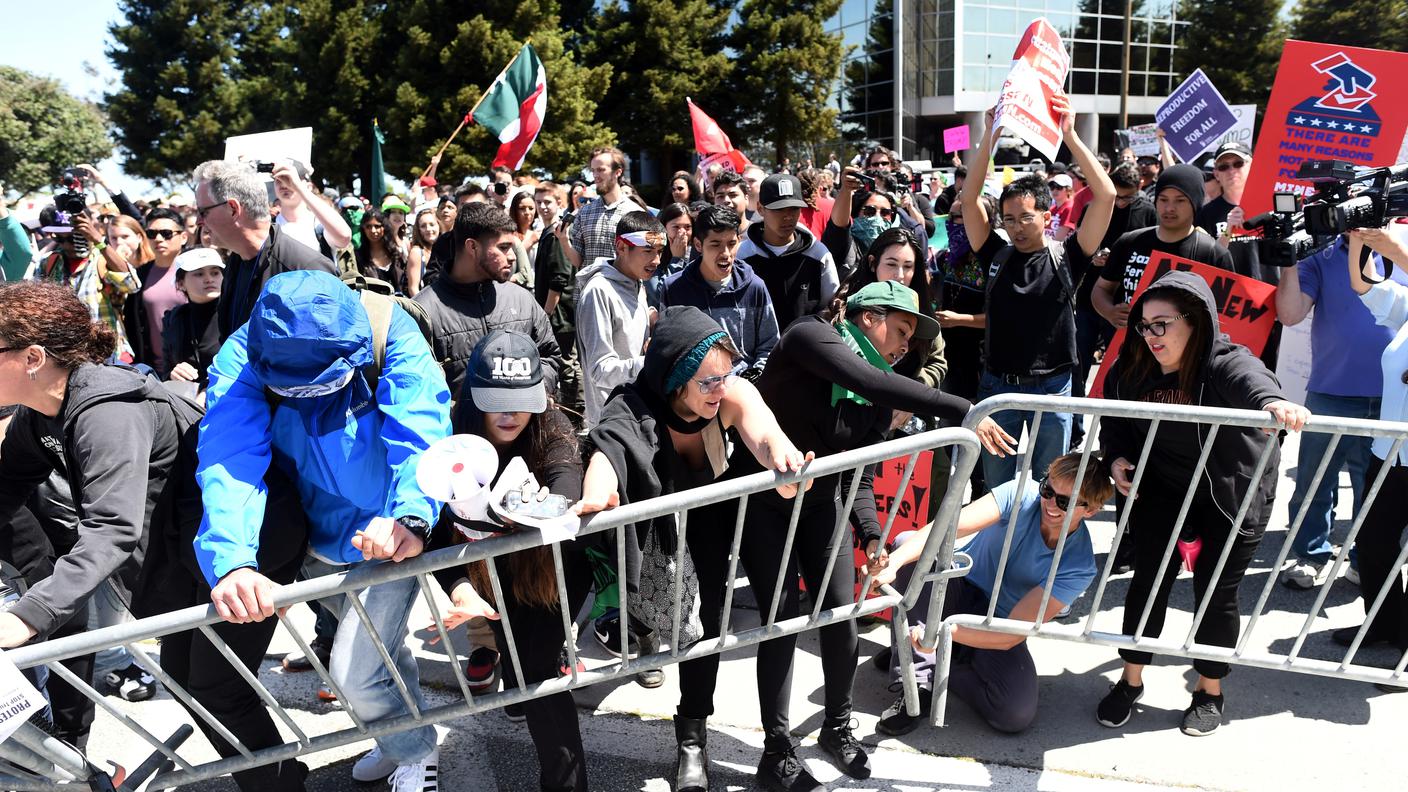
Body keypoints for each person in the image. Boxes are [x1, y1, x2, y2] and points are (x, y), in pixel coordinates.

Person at [713, 280, 1013, 790]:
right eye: (900, 331)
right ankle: (777, 749)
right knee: (782, 622)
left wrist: (872, 535)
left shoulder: (877, 390)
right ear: (867, 316)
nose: (903, 347)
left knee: (842, 618)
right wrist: (964, 407)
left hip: (821, 506)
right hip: (765, 507)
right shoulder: (811, 337)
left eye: (910, 339)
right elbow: (868, 379)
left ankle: (837, 725)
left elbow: (862, 473)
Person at [195, 269, 452, 791]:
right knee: (382, 654)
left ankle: (415, 750)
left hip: (389, 535)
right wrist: (234, 560)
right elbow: (229, 458)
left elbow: (420, 423)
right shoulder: (241, 356)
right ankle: (397, 736)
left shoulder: (389, 328)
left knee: (356, 669)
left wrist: (411, 514)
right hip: (313, 537)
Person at [573, 305, 811, 792]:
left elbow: (763, 431)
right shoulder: (633, 406)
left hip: (720, 511)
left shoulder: (729, 391)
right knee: (646, 608)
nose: (718, 389)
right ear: (675, 379)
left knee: (709, 622)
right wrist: (597, 494)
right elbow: (608, 450)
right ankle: (637, 628)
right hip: (654, 524)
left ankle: (695, 740)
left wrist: (784, 462)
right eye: (705, 382)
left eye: (725, 375)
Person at [1098, 270, 1309, 737]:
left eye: (1161, 324)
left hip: (1229, 493)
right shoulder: (1131, 365)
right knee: (1147, 585)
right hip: (1162, 491)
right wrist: (1115, 459)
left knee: (1216, 595)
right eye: (1144, 325)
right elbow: (1115, 422)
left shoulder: (1224, 360)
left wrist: (1275, 403)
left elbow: (1253, 380)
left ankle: (1209, 690)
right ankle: (1130, 681)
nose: (1150, 335)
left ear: (1194, 322)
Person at [0, 280, 203, 747]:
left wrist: (29, 614)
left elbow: (112, 528)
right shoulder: (39, 413)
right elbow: (5, 488)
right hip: (168, 564)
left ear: (33, 359)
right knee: (197, 684)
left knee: (218, 690)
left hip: (224, 556)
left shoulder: (105, 410)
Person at [428, 331, 592, 791]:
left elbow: (566, 478)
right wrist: (459, 588)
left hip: (553, 568)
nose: (508, 412)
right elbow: (438, 529)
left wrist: (548, 505)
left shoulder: (552, 424)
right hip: (491, 577)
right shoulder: (452, 434)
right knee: (519, 660)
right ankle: (518, 681)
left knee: (536, 667)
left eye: (520, 400)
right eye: (494, 399)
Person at [871, 452, 1114, 735]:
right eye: (1048, 490)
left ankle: (928, 652)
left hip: (996, 621)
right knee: (910, 548)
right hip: (957, 586)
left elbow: (1010, 634)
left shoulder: (1079, 565)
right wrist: (895, 562)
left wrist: (941, 635)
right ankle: (915, 687)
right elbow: (945, 527)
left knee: (1014, 713)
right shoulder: (1020, 493)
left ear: (1092, 510)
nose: (1050, 504)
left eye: (1066, 501)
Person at [960, 96, 1114, 490]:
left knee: (1051, 486)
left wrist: (1071, 136)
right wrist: (990, 136)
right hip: (998, 389)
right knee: (997, 490)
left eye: (1026, 217)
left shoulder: (1070, 256)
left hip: (1054, 389)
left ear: (1047, 216)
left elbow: (1107, 195)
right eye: (1009, 219)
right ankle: (1003, 552)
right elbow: (970, 199)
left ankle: (1038, 551)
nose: (1016, 227)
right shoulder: (995, 254)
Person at [1272, 233, 1400, 588]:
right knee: (1314, 481)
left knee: (1374, 486)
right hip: (1331, 390)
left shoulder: (1401, 247)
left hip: (1393, 396)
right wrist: (1288, 259)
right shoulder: (1320, 254)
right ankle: (1308, 555)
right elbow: (1290, 314)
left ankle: (1366, 558)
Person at [1339, 227, 1408, 655]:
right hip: (1390, 453)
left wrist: (1396, 250)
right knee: (1374, 542)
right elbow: (1363, 284)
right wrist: (1357, 238)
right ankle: (1385, 625)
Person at [414, 202, 561, 399]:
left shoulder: (522, 300)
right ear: (472, 246)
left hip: (524, 427)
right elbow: (416, 389)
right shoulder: (423, 312)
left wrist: (532, 395)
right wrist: (462, 412)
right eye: (503, 247)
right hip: (457, 429)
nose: (512, 257)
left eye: (512, 247)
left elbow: (549, 356)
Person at [192, 159, 336, 340]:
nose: (198, 221)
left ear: (233, 209)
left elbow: (329, 353)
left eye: (203, 211)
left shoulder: (306, 269)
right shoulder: (236, 260)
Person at [1092, 164, 1232, 331]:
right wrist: (1110, 311)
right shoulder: (1129, 242)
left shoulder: (1213, 254)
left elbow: (1226, 317)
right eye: (1163, 199)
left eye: (1180, 200)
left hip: (1189, 353)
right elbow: (1101, 289)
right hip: (1131, 349)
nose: (1169, 208)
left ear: (1195, 204)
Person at [663, 205, 779, 377]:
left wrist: (754, 377)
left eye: (732, 244)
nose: (725, 253)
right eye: (715, 244)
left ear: (740, 240)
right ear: (698, 245)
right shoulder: (674, 288)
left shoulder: (755, 286)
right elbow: (669, 348)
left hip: (744, 386)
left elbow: (769, 345)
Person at [576, 211, 663, 429]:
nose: (656, 260)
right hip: (611, 420)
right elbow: (600, 371)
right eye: (648, 251)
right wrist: (653, 362)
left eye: (660, 251)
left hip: (639, 409)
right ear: (621, 247)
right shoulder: (598, 292)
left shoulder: (636, 281)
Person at [34, 205, 141, 363]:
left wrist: (99, 241)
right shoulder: (48, 263)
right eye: (59, 238)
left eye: (71, 238)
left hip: (110, 358)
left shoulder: (103, 258)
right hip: (69, 359)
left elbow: (132, 285)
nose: (65, 245)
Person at [735, 174, 840, 333]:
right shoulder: (742, 255)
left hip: (807, 350)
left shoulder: (818, 254)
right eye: (779, 209)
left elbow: (831, 308)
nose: (788, 216)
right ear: (760, 209)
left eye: (794, 208)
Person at [122, 208, 187, 374]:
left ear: (184, 237)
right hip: (153, 370)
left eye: (166, 233)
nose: (158, 239)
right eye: (151, 233)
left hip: (192, 368)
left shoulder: (198, 271)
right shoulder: (140, 274)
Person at [566, 146, 643, 269]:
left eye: (601, 170)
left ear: (618, 172)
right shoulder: (584, 212)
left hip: (622, 287)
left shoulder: (636, 213)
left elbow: (642, 259)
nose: (595, 175)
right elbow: (578, 262)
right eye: (593, 170)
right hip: (587, 287)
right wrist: (564, 240)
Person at [162, 248, 226, 392]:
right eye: (199, 274)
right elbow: (165, 370)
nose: (209, 279)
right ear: (181, 283)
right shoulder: (173, 319)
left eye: (215, 272)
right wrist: (173, 373)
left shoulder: (235, 312)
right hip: (189, 405)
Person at [271, 161, 353, 256]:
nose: (284, 184)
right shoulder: (268, 227)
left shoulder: (319, 225)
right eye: (279, 179)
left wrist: (298, 187)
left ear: (309, 186)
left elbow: (344, 237)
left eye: (290, 179)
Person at [646, 202, 693, 310]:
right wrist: (677, 259)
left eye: (687, 227)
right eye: (676, 227)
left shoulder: (697, 253)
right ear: (664, 228)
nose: (682, 232)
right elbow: (661, 294)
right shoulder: (650, 254)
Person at [355, 209, 409, 292]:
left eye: (377, 226)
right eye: (368, 226)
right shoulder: (359, 257)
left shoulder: (396, 254)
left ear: (385, 227)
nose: (373, 231)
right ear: (363, 229)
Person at [407, 207, 439, 296]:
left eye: (432, 224)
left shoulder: (444, 249)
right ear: (418, 230)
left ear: (439, 225)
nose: (428, 229)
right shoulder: (417, 252)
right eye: (423, 226)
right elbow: (413, 288)